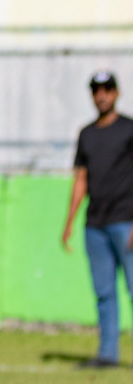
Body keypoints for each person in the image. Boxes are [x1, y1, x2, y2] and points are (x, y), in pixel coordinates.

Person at [62, 70, 133, 368]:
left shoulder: (129, 130)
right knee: (104, 292)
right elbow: (81, 178)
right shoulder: (86, 134)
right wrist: (69, 222)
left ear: (116, 93)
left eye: (107, 89)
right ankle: (107, 354)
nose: (101, 95)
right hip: (95, 226)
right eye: (96, 90)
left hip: (125, 222)